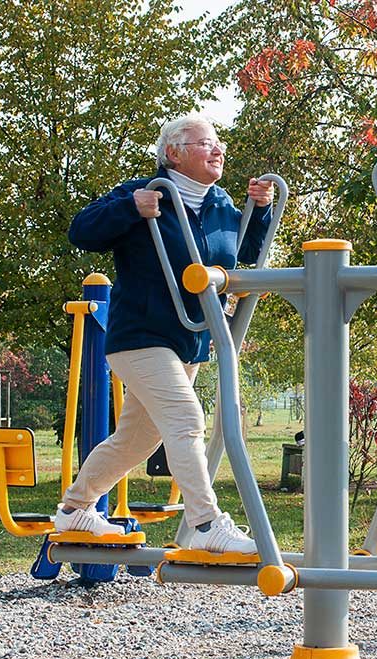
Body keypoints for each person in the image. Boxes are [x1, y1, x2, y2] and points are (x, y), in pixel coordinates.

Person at [54, 114, 274, 554]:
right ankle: (206, 524)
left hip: (190, 338)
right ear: (173, 153)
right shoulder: (145, 192)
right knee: (186, 419)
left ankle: (75, 508)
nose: (218, 150)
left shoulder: (219, 204)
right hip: (140, 335)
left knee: (137, 439)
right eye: (205, 143)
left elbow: (247, 249)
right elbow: (82, 231)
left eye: (218, 143)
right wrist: (129, 208)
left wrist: (260, 209)